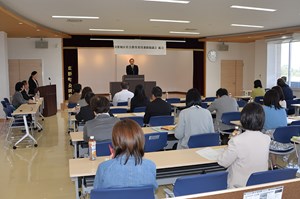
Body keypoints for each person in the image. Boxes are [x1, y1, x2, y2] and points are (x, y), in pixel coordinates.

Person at [93, 119, 158, 191]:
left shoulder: (103, 168)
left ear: (115, 141)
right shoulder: (150, 166)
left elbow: (97, 193)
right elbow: (152, 191)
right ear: (141, 139)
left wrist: (110, 163)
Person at [218, 102, 271, 188]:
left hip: (238, 186)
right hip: (259, 184)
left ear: (243, 119)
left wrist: (228, 146)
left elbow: (223, 162)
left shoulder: (237, 141)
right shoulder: (266, 139)